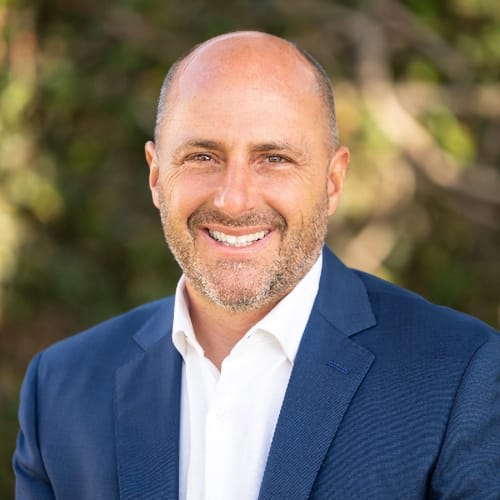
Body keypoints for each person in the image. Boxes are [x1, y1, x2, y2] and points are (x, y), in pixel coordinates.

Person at [13, 31, 500, 500]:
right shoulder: (60, 390)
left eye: (274, 158)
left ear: (332, 181)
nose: (234, 199)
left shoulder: (459, 376)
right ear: (156, 175)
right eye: (202, 156)